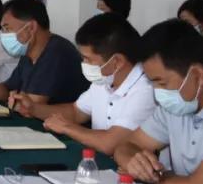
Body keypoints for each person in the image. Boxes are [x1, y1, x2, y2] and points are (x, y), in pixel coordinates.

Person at [114, 19, 203, 184]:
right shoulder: (179, 104)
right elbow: (125, 146)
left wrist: (154, 175)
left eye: (162, 83)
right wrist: (134, 161)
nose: (158, 93)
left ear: (198, 75)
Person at [25, 13, 156, 156]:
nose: (84, 64)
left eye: (88, 59)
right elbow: (76, 112)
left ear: (117, 61)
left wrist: (66, 127)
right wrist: (32, 108)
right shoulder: (105, 79)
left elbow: (110, 144)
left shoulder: (146, 88)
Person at [0, 0, 88, 110]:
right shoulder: (28, 52)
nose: (3, 35)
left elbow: (30, 106)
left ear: (31, 27)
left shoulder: (57, 51)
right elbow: (6, 89)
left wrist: (16, 99)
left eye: (7, 29)